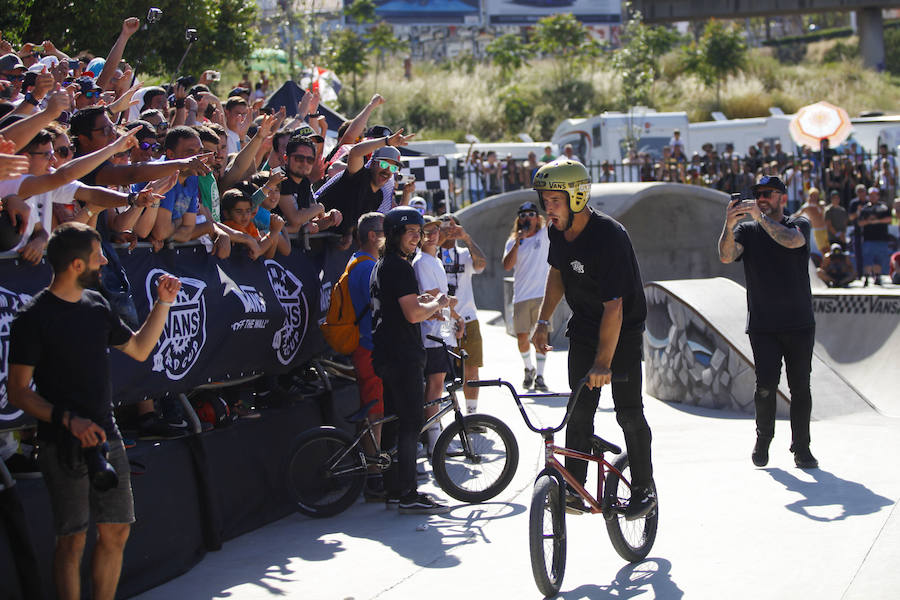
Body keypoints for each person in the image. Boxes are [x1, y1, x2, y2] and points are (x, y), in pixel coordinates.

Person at [7, 222, 182, 600]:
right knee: (71, 541)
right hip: (61, 442)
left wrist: (163, 302)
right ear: (75, 264)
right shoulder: (33, 318)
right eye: (97, 255)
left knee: (117, 530)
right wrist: (68, 420)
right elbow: (18, 392)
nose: (104, 261)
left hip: (108, 434)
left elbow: (138, 349)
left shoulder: (97, 305)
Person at [530, 158, 656, 520]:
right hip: (585, 326)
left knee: (629, 414)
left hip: (624, 330)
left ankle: (644, 489)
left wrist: (604, 363)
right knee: (579, 410)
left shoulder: (609, 237)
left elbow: (614, 307)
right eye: (544, 200)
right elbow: (557, 273)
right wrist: (543, 320)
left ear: (577, 196)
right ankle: (574, 487)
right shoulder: (557, 230)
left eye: (554, 200)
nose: (547, 208)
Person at [718, 175, 819, 470]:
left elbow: (791, 242)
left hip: (799, 322)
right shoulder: (748, 231)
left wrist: (759, 217)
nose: (761, 197)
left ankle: (802, 447)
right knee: (765, 386)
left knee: (800, 387)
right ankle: (763, 439)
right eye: (757, 193)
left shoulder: (798, 224)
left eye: (767, 193)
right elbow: (726, 256)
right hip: (764, 324)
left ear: (782, 198)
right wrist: (728, 224)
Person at [371, 206, 451, 514]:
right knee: (411, 423)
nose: (416, 239)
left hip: (387, 352)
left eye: (419, 233)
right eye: (411, 233)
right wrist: (438, 302)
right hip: (401, 355)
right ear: (394, 235)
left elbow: (405, 304)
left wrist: (429, 303)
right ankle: (407, 493)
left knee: (394, 422)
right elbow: (412, 313)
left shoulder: (385, 264)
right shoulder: (400, 268)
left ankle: (393, 489)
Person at [413, 215, 461, 456]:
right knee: (434, 387)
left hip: (441, 333)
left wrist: (457, 317)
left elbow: (443, 300)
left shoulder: (435, 260)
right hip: (430, 335)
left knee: (438, 387)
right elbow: (436, 297)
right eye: (426, 231)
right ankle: (433, 442)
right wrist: (450, 304)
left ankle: (434, 437)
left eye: (435, 230)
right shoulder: (422, 262)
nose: (432, 235)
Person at [347, 212, 386, 500]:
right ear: (373, 236)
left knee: (372, 409)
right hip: (369, 346)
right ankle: (374, 476)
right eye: (386, 231)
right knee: (375, 411)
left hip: (366, 345)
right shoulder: (367, 267)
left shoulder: (359, 262)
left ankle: (371, 467)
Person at [439, 214, 487, 415]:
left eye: (453, 226)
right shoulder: (433, 254)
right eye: (445, 226)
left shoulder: (465, 254)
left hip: (468, 317)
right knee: (438, 372)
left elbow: (481, 264)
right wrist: (441, 237)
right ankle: (436, 420)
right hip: (442, 319)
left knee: (472, 368)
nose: (450, 229)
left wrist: (465, 238)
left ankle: (472, 415)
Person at [502, 201, 550, 392]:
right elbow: (506, 265)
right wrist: (517, 242)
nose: (526, 218)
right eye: (523, 215)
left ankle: (540, 375)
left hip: (542, 295)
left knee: (541, 336)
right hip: (521, 295)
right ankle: (528, 368)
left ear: (537, 218)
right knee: (522, 337)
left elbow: (557, 217)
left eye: (531, 214)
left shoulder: (545, 234)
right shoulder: (513, 240)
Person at [857, 186, 893, 286]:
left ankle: (877, 276)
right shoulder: (865, 209)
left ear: (878, 196)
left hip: (881, 238)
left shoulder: (884, 207)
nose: (873, 197)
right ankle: (867, 278)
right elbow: (860, 223)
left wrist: (877, 221)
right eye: (871, 195)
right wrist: (869, 221)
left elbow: (889, 219)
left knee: (879, 258)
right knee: (868, 258)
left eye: (875, 195)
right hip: (868, 238)